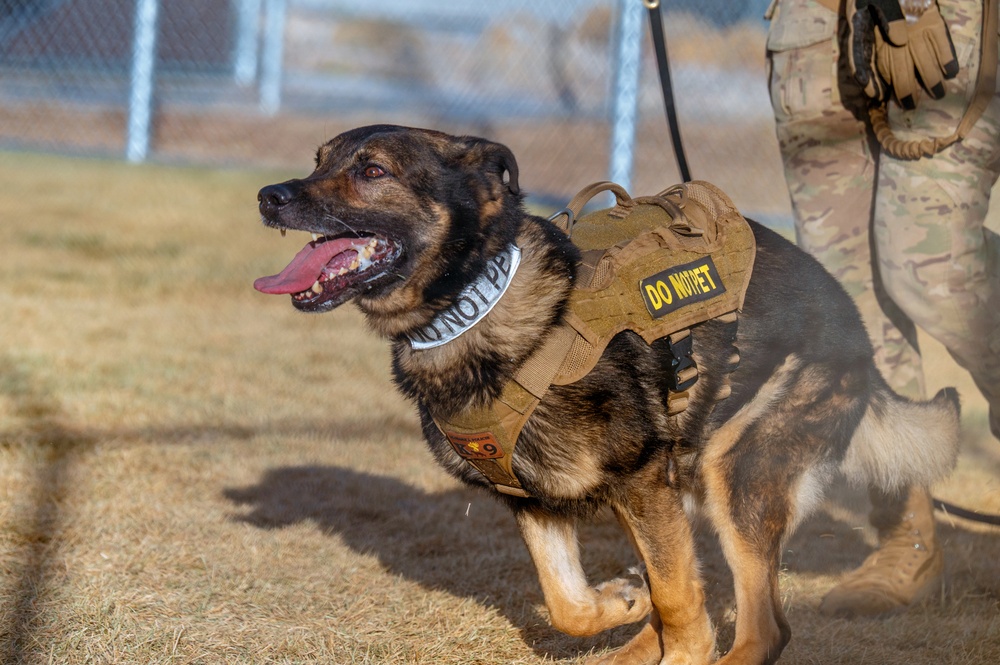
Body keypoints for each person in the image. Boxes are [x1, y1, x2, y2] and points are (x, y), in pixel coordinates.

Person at [765, 0, 1000, 616]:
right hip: (811, 27)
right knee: (846, 301)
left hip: (934, 16)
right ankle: (907, 537)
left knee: (933, 268)